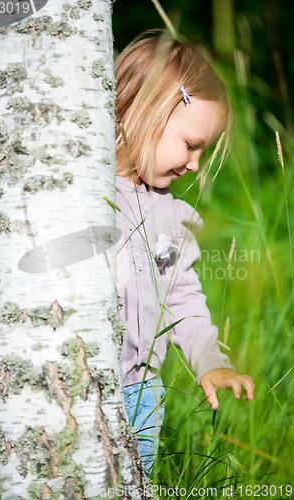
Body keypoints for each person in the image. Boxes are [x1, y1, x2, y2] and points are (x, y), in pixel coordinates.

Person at [114, 31, 254, 475]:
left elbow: (181, 299)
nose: (194, 164)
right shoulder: (77, 192)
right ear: (147, 107)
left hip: (140, 393)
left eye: (203, 151)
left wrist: (211, 362)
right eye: (191, 145)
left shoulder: (175, 219)